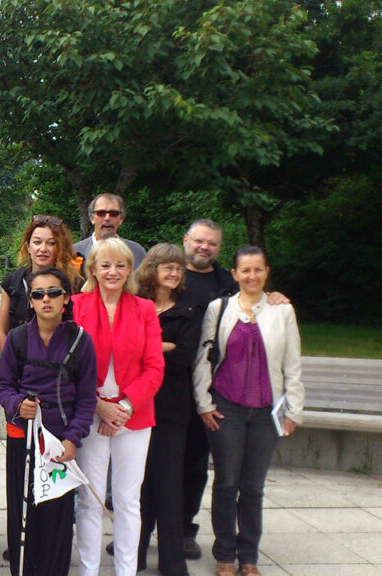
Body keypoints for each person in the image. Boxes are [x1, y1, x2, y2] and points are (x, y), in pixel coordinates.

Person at [179, 219, 288, 559]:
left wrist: (273, 297)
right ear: (186, 240)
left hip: (209, 388)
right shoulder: (167, 273)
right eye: (199, 241)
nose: (204, 247)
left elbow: (253, 295)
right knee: (157, 462)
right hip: (166, 384)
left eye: (211, 243)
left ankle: (184, 529)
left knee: (197, 464)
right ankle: (145, 530)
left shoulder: (227, 283)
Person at [192, 246, 303, 576]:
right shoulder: (219, 308)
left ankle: (249, 556)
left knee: (253, 487)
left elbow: (292, 365)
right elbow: (204, 358)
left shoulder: (282, 311)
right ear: (235, 274)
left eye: (258, 270)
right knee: (227, 483)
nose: (252, 276)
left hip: (266, 413)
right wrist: (204, 403)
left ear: (267, 272)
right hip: (227, 409)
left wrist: (294, 410)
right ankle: (225, 553)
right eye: (246, 270)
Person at [0, 268, 98, 576]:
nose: (46, 300)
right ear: (30, 302)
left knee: (57, 517)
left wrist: (72, 439)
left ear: (66, 298)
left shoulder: (81, 341)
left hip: (60, 441)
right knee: (23, 511)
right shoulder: (16, 339)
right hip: (23, 437)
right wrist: (17, 405)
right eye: (38, 294)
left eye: (54, 292)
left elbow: (87, 397)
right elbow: (3, 385)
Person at [71, 237, 164, 576]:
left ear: (130, 270)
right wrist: (99, 406)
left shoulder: (144, 309)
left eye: (120, 265)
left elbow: (154, 367)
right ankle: (88, 570)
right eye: (105, 264)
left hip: (134, 417)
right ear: (93, 268)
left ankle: (126, 570)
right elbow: (69, 366)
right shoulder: (76, 306)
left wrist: (122, 407)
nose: (113, 271)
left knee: (127, 500)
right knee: (90, 498)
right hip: (90, 414)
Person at [0, 214, 80, 561]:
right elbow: (2, 330)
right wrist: (16, 358)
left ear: (60, 246)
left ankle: (51, 540)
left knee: (55, 467)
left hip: (59, 390)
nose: (43, 248)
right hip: (19, 385)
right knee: (21, 468)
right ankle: (21, 538)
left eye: (50, 242)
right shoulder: (13, 281)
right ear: (26, 244)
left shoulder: (74, 281)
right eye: (37, 241)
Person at [134, 244, 200, 576]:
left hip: (172, 408)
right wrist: (161, 347)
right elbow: (130, 350)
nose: (174, 274)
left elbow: (184, 357)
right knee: (139, 485)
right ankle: (135, 553)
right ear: (153, 269)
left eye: (179, 269)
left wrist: (150, 349)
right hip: (137, 406)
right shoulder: (138, 304)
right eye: (168, 268)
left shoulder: (188, 308)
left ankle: (172, 562)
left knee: (169, 484)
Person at [73, 193, 147, 270]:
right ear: (92, 218)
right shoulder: (74, 252)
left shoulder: (136, 252)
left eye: (113, 214)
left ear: (121, 219)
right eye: (101, 213)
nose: (107, 218)